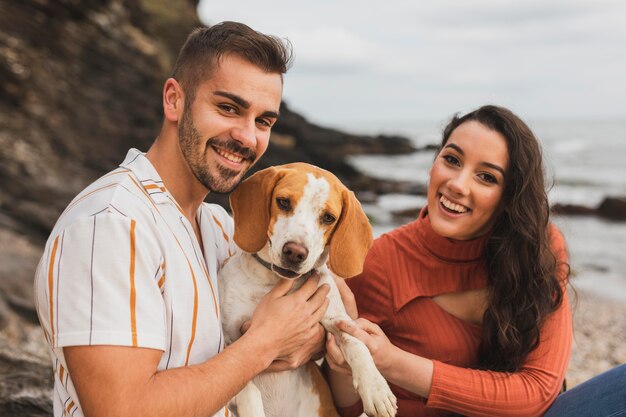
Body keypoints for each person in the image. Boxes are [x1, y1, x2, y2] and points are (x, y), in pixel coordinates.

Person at [33, 21, 330, 417]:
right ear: (174, 100)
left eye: (263, 121)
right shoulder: (111, 224)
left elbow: (321, 304)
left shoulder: (222, 228)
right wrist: (264, 345)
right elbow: (122, 410)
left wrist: (315, 338)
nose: (246, 137)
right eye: (228, 108)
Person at [325, 105, 626, 417]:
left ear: (509, 198)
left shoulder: (540, 247)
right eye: (452, 160)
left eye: (486, 177)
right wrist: (345, 352)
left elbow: (538, 391)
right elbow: (347, 407)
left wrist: (392, 361)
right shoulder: (378, 262)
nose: (458, 184)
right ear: (434, 163)